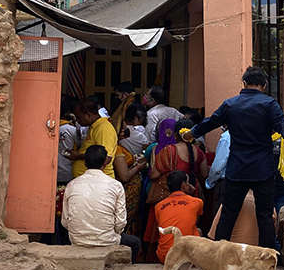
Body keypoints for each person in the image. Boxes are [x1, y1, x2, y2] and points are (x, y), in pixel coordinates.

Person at [182, 66, 284, 250]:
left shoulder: (231, 104)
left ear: (244, 83)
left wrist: (190, 134)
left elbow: (210, 122)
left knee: (228, 215)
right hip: (262, 170)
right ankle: (267, 263)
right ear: (264, 86)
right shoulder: (269, 105)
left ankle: (216, 260)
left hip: (236, 170)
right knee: (264, 216)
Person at [61, 146, 141, 261]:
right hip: (107, 239)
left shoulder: (72, 185)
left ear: (84, 162)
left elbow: (65, 221)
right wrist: (111, 234)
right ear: (105, 163)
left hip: (78, 240)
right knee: (135, 243)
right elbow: (120, 223)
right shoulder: (115, 185)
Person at [143, 119, 208, 248]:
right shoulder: (198, 152)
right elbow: (205, 174)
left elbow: (154, 175)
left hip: (169, 193)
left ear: (175, 134)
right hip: (191, 192)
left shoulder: (169, 151)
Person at [112, 104, 149, 237]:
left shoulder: (120, 146)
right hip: (127, 187)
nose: (125, 131)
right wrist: (138, 167)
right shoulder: (117, 149)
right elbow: (124, 176)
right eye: (122, 129)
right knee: (124, 221)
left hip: (131, 188)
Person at [153, 171, 204, 263]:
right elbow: (194, 222)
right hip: (189, 259)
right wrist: (191, 195)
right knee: (198, 231)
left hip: (166, 257)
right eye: (187, 183)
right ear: (183, 185)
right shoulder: (197, 202)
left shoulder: (158, 206)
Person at [66, 98, 117, 178]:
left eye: (79, 117)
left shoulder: (103, 128)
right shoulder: (94, 126)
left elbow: (105, 158)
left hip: (98, 182)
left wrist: (78, 156)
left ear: (88, 114)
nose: (77, 120)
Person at [57, 96, 80, 185]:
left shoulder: (50, 128)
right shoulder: (71, 129)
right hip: (69, 172)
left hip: (52, 172)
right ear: (68, 114)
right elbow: (80, 144)